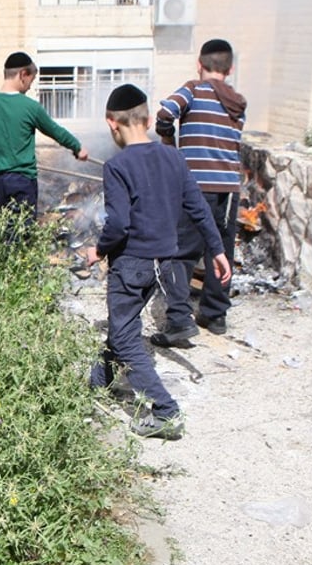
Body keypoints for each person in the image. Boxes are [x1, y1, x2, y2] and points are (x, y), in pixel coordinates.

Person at [85, 84, 232, 440]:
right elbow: (198, 208)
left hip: (132, 262)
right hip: (163, 264)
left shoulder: (117, 166)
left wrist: (100, 250)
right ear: (148, 119)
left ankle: (165, 411)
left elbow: (118, 224)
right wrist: (218, 250)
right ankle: (99, 379)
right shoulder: (174, 158)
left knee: (123, 335)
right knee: (125, 322)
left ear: (111, 123)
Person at [154, 38, 247, 340]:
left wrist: (169, 142)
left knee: (181, 252)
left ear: (199, 64)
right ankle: (215, 314)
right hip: (229, 190)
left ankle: (180, 320)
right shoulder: (237, 104)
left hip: (195, 188)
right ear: (230, 68)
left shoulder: (193, 89)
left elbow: (166, 113)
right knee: (220, 248)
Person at [0, 51, 89, 239]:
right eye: (32, 79)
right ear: (23, 74)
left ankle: (1, 267)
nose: (31, 86)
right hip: (23, 182)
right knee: (23, 237)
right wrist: (77, 147)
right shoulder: (30, 107)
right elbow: (55, 131)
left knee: (3, 234)